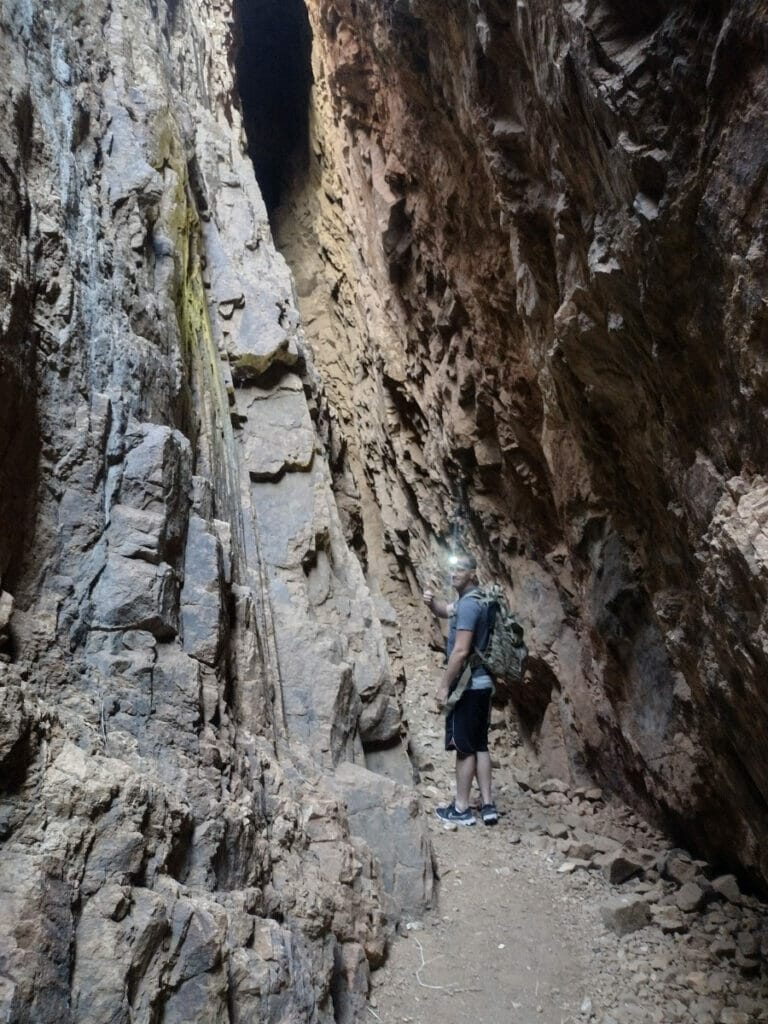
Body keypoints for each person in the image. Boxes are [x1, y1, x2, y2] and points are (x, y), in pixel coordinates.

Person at [423, 552, 498, 826]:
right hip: (483, 683)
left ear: (472, 574)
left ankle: (462, 809)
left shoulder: (469, 606)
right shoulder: (476, 599)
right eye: (453, 568)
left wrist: (444, 686)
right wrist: (432, 604)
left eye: (461, 569)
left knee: (464, 747)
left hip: (468, 686)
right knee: (480, 744)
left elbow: (460, 651)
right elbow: (447, 611)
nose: (454, 573)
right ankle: (488, 805)